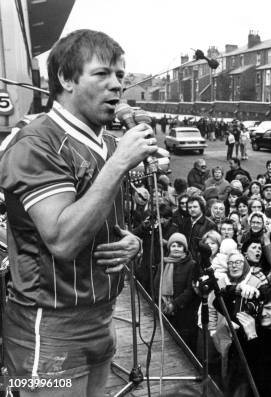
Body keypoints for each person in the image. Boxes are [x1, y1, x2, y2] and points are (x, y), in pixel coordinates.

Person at [0, 29, 159, 396]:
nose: (117, 85)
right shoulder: (37, 142)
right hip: (50, 328)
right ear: (66, 79)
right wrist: (119, 164)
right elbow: (62, 238)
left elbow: (101, 217)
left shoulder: (108, 143)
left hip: (103, 316)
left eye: (120, 75)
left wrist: (129, 241)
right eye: (102, 74)